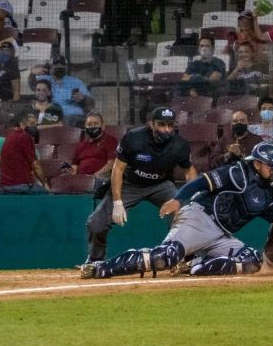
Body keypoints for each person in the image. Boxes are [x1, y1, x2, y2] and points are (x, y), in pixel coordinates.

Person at [80, 142, 273, 279]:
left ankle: (193, 266)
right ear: (257, 164)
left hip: (220, 236)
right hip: (199, 218)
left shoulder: (269, 194)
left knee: (251, 261)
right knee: (163, 258)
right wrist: (178, 200)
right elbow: (201, 182)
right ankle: (101, 268)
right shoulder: (237, 172)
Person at [84, 107, 197, 263]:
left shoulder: (180, 145)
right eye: (161, 124)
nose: (166, 129)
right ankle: (95, 261)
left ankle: (188, 259)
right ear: (151, 124)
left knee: (185, 217)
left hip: (161, 185)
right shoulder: (133, 138)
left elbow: (189, 171)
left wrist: (189, 199)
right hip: (130, 184)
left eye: (170, 125)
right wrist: (117, 202)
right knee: (96, 223)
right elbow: (118, 169)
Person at [30, 55, 94, 127]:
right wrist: (32, 73)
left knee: (67, 121)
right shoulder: (45, 79)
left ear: (66, 67)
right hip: (51, 115)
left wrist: (83, 98)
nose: (59, 67)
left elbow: (91, 102)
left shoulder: (76, 82)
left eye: (61, 65)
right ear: (51, 67)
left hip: (73, 115)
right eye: (56, 65)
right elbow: (32, 86)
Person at [0, 109, 50, 193]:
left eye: (35, 124)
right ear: (22, 124)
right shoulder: (24, 137)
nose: (33, 127)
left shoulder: (10, 136)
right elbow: (35, 165)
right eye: (31, 124)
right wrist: (45, 183)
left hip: (4, 187)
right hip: (20, 186)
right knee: (47, 195)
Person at [70, 111, 118, 188]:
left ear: (102, 125)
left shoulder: (110, 141)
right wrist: (70, 172)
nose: (92, 126)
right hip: (81, 179)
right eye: (89, 124)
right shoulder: (81, 144)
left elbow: (112, 164)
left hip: (99, 178)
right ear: (85, 126)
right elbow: (74, 166)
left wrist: (93, 177)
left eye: (96, 124)